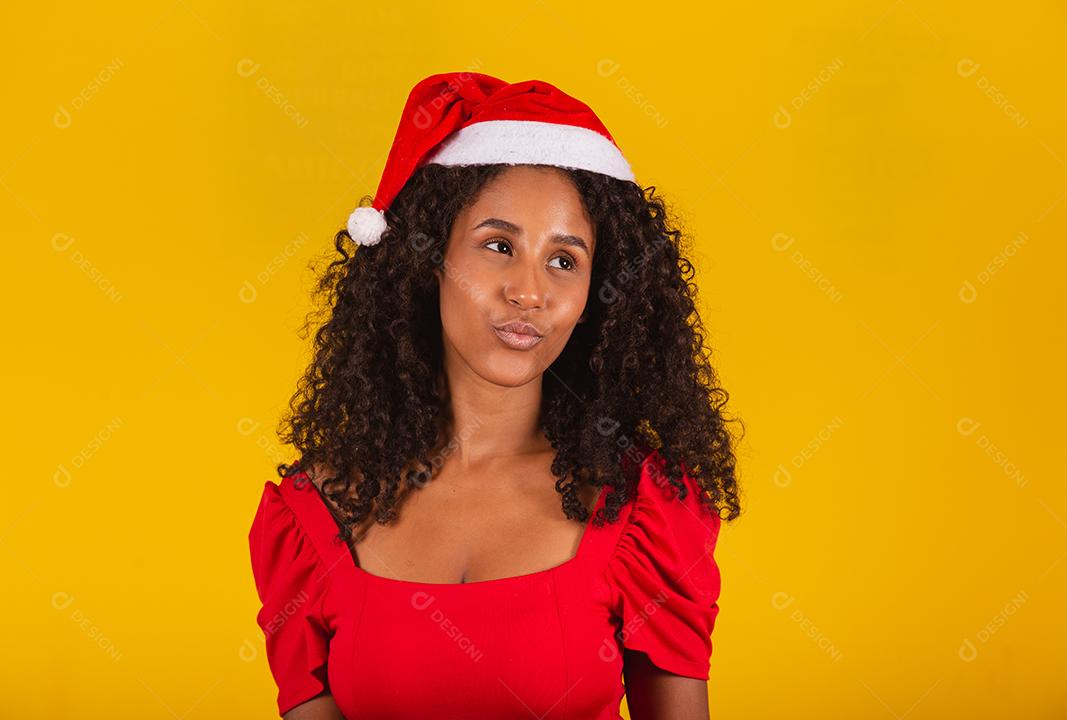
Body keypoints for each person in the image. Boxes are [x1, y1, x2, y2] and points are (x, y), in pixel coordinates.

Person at [247, 71, 744, 720]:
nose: (529, 291)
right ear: (429, 260)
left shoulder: (644, 511)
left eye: (564, 260)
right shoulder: (312, 519)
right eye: (498, 246)